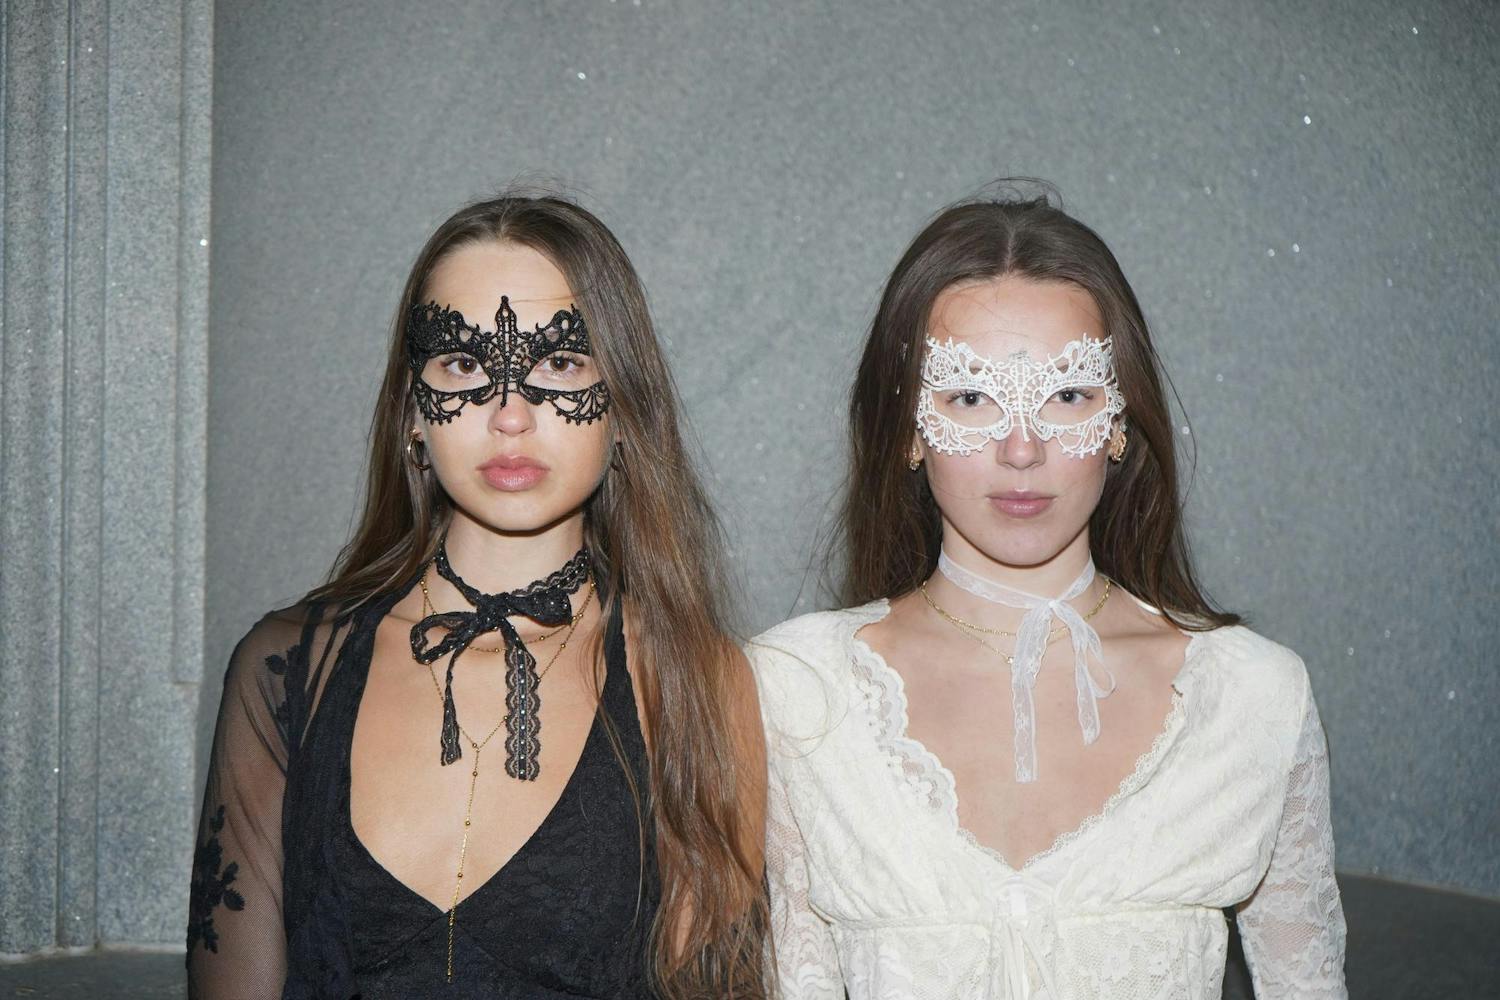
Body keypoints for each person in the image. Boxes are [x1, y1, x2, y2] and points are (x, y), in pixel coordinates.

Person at [750, 187, 1347, 999]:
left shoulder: (1253, 695)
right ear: (911, 431)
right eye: (971, 397)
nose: (1022, 449)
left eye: (1067, 395)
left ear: (1119, 423)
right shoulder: (796, 690)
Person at [187, 192, 768, 999]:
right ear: (412, 411)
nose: (509, 415)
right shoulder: (285, 670)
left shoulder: (699, 681)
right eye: (463, 364)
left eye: (559, 363)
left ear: (624, 407)